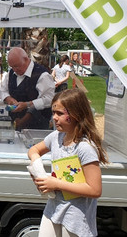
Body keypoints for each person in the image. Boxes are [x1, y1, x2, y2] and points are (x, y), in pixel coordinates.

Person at [27, 89, 109, 237]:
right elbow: (33, 150)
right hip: (53, 210)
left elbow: (95, 190)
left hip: (76, 216)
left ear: (76, 114)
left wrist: (56, 184)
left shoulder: (85, 148)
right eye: (53, 113)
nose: (54, 118)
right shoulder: (56, 137)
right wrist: (38, 171)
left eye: (60, 113)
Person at [0, 47, 54, 130]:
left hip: (36, 127)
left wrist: (27, 105)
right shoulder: (11, 73)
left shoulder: (42, 75)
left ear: (25, 59)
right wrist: (9, 99)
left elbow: (49, 99)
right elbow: (3, 90)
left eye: (17, 66)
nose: (15, 69)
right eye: (12, 67)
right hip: (13, 124)